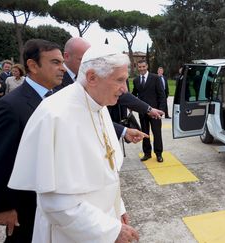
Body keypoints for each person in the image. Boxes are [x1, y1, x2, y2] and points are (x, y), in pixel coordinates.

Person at [8, 44, 143, 243]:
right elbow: (57, 204)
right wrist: (109, 231)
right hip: (71, 233)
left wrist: (117, 208)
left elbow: (108, 171)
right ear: (92, 78)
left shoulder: (99, 105)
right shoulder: (56, 115)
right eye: (120, 80)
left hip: (103, 220)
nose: (124, 89)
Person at [0, 39, 64, 242]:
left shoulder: (58, 100)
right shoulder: (10, 106)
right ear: (32, 65)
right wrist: (3, 207)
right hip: (26, 204)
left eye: (62, 62)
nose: (62, 68)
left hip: (55, 199)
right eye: (55, 62)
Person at [57, 37, 163, 138]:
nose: (89, 64)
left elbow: (123, 97)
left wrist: (148, 109)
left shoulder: (101, 106)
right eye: (82, 59)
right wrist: (123, 131)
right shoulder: (56, 86)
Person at [133, 60, 167, 162]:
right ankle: (147, 153)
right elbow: (134, 94)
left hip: (155, 112)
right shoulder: (136, 80)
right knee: (144, 133)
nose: (142, 69)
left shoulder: (155, 78)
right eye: (140, 67)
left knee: (157, 133)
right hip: (142, 112)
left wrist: (161, 110)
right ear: (137, 68)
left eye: (143, 66)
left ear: (147, 66)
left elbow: (162, 95)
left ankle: (159, 154)